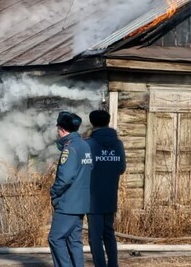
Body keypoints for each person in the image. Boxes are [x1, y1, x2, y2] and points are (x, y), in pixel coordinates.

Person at [48, 111, 93, 267]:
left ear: (61, 129)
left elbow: (65, 178)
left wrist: (53, 193)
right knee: (74, 240)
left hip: (68, 203)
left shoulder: (70, 148)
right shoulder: (84, 145)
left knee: (55, 238)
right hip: (81, 202)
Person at [86, 109, 126, 267]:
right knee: (109, 233)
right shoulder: (118, 143)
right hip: (110, 195)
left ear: (92, 123)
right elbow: (121, 168)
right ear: (108, 122)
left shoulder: (89, 144)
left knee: (95, 236)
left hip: (92, 197)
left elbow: (84, 168)